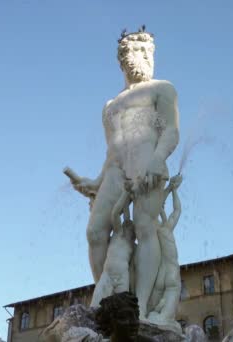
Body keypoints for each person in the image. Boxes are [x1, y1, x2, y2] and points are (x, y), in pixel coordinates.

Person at [68, 26, 179, 317]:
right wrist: (94, 181)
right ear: (122, 60)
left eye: (145, 52)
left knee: (145, 227)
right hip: (116, 171)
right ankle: (109, 301)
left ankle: (139, 308)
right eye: (132, 52)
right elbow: (112, 150)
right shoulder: (110, 106)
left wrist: (158, 158)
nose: (140, 57)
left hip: (149, 166)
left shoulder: (161, 89)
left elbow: (171, 131)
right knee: (95, 232)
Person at [90, 182, 135, 308]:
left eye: (131, 227)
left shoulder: (131, 244)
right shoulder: (118, 234)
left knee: (123, 307)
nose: (129, 225)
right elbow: (116, 213)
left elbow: (127, 217)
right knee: (96, 304)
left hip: (123, 276)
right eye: (129, 225)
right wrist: (126, 194)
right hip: (108, 274)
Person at [147, 174, 182, 326]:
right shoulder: (166, 229)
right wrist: (174, 190)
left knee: (150, 312)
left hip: (158, 275)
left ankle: (151, 314)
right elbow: (177, 210)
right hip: (171, 271)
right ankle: (163, 317)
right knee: (166, 318)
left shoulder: (152, 231)